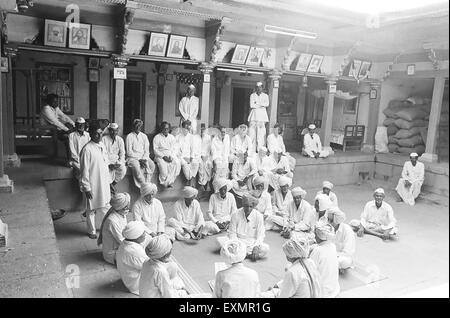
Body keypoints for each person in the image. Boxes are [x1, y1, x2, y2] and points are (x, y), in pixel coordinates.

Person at [80, 123, 112, 239]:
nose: (98, 136)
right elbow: (84, 171)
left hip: (103, 183)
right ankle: (91, 231)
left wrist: (108, 181)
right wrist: (86, 188)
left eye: (100, 133)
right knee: (91, 209)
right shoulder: (87, 149)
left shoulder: (102, 146)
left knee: (106, 206)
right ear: (90, 134)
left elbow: (105, 164)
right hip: (93, 184)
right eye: (96, 133)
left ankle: (107, 227)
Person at [216, 194, 270, 261]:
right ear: (243, 205)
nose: (248, 209)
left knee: (265, 248)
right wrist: (237, 245)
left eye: (250, 206)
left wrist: (256, 246)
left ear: (253, 206)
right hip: (238, 241)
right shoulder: (235, 214)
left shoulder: (258, 216)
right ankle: (247, 254)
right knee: (220, 241)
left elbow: (261, 235)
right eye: (246, 206)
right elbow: (232, 233)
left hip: (252, 242)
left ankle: (240, 255)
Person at [116, 221, 148, 295]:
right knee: (169, 268)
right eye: (143, 233)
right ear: (136, 237)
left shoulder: (126, 242)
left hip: (128, 279)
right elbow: (148, 267)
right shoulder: (134, 251)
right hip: (136, 284)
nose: (145, 234)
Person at [97, 193, 130, 264]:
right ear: (120, 207)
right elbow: (122, 240)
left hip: (121, 246)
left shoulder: (122, 213)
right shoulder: (112, 220)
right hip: (113, 253)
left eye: (128, 206)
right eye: (125, 206)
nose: (127, 208)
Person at [310, 222, 340, 298]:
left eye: (315, 234)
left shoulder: (317, 251)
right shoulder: (332, 246)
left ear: (319, 236)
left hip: (323, 293)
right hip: (334, 290)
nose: (314, 237)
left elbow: (309, 271)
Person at [125, 119, 155, 189]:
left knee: (152, 165)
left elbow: (146, 150)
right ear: (133, 126)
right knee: (136, 168)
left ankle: (147, 182)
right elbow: (129, 152)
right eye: (136, 126)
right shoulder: (129, 136)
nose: (138, 127)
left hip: (143, 157)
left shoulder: (144, 136)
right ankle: (144, 185)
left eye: (140, 126)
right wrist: (139, 159)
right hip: (132, 157)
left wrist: (144, 159)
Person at [153, 121, 181, 188]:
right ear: (161, 129)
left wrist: (171, 156)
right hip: (160, 156)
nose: (166, 130)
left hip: (170, 155)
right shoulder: (157, 137)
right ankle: (164, 183)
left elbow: (175, 148)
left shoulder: (171, 137)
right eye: (164, 128)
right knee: (164, 171)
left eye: (167, 129)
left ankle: (170, 182)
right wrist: (163, 157)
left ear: (169, 129)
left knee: (177, 164)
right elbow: (155, 150)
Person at [327, 207, 355, 272]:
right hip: (330, 254)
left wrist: (332, 255)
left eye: (331, 220)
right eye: (328, 219)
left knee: (344, 262)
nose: (328, 222)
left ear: (337, 220)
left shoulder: (348, 231)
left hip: (341, 257)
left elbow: (347, 253)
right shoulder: (328, 228)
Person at [102, 123, 127, 193]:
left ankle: (111, 185)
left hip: (116, 161)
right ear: (109, 130)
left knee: (123, 170)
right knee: (106, 171)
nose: (114, 132)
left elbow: (122, 153)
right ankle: (109, 186)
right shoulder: (104, 139)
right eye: (112, 130)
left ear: (117, 131)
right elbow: (103, 154)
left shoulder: (120, 140)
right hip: (106, 161)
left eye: (115, 131)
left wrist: (119, 163)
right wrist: (109, 164)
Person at [176, 120, 200, 187]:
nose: (186, 130)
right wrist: (183, 157)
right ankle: (189, 180)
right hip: (181, 157)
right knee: (185, 165)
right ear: (182, 128)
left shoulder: (191, 137)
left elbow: (193, 149)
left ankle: (191, 181)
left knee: (196, 163)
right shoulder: (178, 137)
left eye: (188, 128)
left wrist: (191, 157)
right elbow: (176, 150)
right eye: (185, 128)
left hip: (189, 157)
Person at [248, 82, 269, 153]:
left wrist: (256, 103)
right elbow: (251, 105)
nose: (258, 88)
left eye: (260, 87)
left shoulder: (265, 96)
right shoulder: (252, 95)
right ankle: (251, 151)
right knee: (252, 134)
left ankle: (260, 151)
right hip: (253, 116)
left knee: (261, 135)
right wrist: (261, 105)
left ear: (262, 88)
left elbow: (266, 104)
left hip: (262, 117)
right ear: (255, 88)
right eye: (257, 87)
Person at [197, 124, 213, 191]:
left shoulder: (208, 137)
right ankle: (201, 183)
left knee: (208, 164)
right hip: (198, 155)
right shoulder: (196, 137)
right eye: (201, 128)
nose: (202, 130)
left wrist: (206, 156)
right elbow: (196, 148)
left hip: (206, 155)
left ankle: (207, 183)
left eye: (203, 129)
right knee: (201, 165)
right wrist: (201, 155)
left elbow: (208, 149)